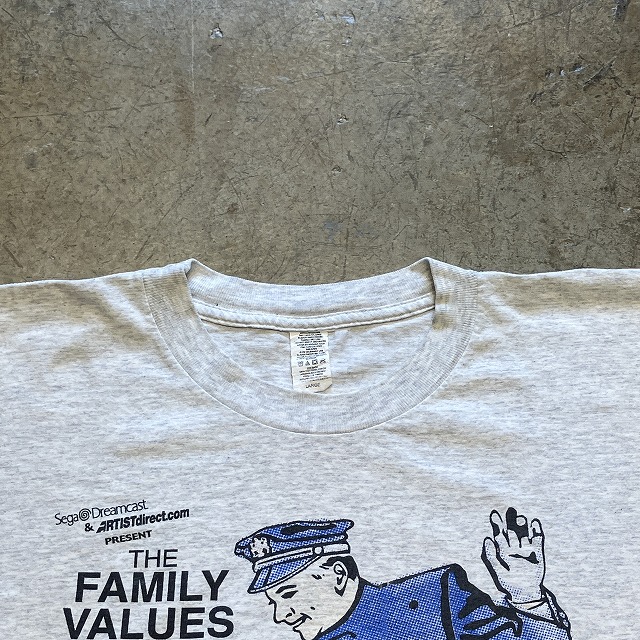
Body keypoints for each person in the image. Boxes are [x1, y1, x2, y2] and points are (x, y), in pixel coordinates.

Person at [234, 508, 571, 639]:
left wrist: (527, 597)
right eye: (273, 602)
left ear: (338, 575)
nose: (280, 616)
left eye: (288, 594)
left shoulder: (437, 597)